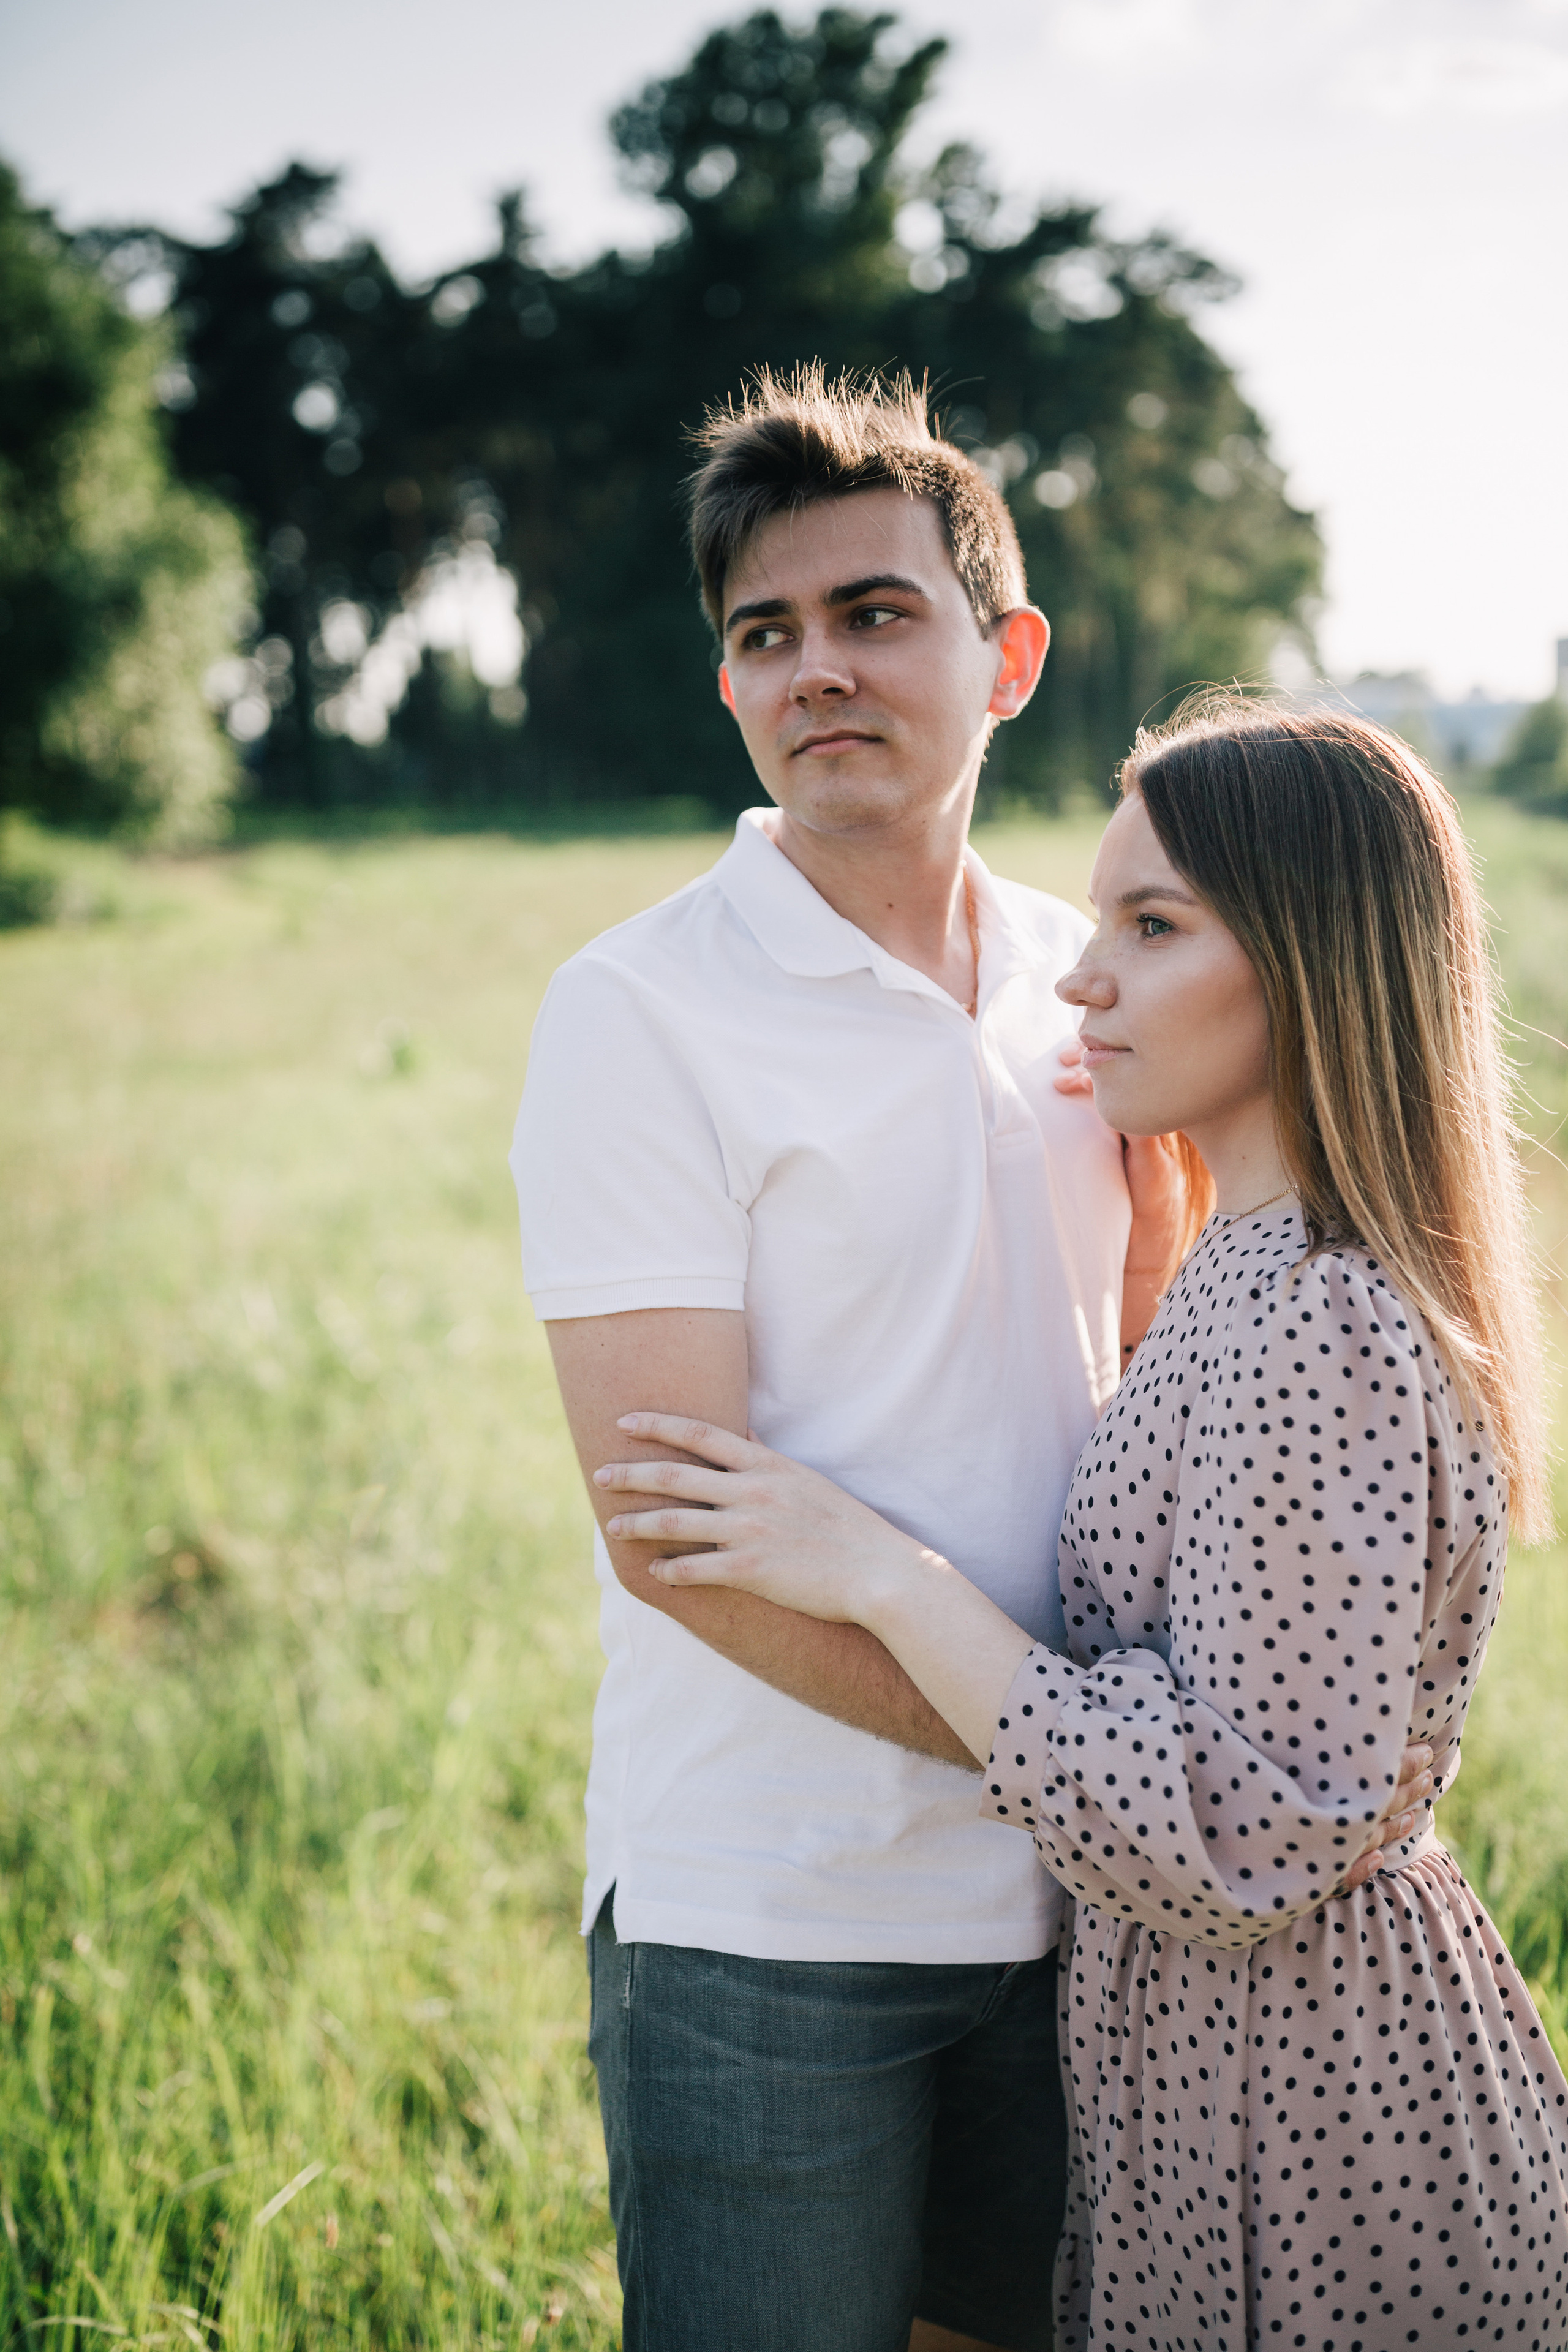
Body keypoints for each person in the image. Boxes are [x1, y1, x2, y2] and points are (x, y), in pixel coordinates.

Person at [594, 700, 1568, 2351]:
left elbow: (1243, 1819)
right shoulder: (1253, 1264)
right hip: (1233, 2060)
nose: (1081, 975)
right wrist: (1141, 1276)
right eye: (1102, 915)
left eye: (1154, 925)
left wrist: (881, 1577)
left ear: (1314, 958)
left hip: (1308, 2107)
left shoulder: (1318, 1312)